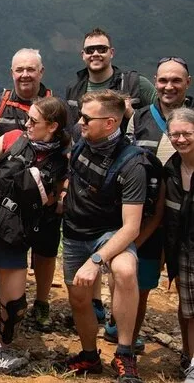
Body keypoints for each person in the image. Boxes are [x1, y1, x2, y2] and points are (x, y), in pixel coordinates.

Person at [0, 96, 69, 373]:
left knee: (14, 309)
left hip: (15, 230)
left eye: (34, 121)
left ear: (53, 127)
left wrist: (48, 194)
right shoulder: (13, 138)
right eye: (27, 119)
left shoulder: (62, 161)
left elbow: (55, 200)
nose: (27, 124)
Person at [55, 90, 148, 383]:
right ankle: (89, 355)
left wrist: (96, 260)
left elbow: (131, 228)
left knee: (125, 270)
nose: (80, 122)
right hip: (74, 230)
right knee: (79, 298)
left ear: (110, 123)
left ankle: (125, 353)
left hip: (110, 233)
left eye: (86, 118)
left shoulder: (132, 164)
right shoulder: (83, 139)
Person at [105, 57, 192, 352]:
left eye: (176, 80)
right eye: (163, 80)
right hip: (143, 214)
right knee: (139, 283)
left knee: (186, 291)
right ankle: (126, 341)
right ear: (155, 82)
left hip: (184, 218)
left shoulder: (191, 119)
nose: (169, 86)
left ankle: (188, 355)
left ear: (187, 83)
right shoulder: (138, 119)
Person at [0, 48, 59, 331]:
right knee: (5, 248)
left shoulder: (56, 105)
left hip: (43, 195)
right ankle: (4, 301)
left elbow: (68, 146)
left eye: (31, 69)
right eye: (20, 69)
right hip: (4, 197)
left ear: (41, 72)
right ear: (11, 72)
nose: (25, 75)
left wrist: (61, 189)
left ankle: (42, 301)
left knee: (45, 250)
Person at [65, 27, 156, 131]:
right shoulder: (73, 89)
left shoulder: (135, 83)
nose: (95, 54)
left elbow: (162, 117)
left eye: (102, 49)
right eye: (90, 50)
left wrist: (132, 114)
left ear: (111, 52)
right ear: (83, 55)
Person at [162, 108, 194, 382]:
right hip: (182, 249)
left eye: (187, 133)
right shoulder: (170, 169)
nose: (181, 139)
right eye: (175, 134)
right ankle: (191, 360)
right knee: (188, 309)